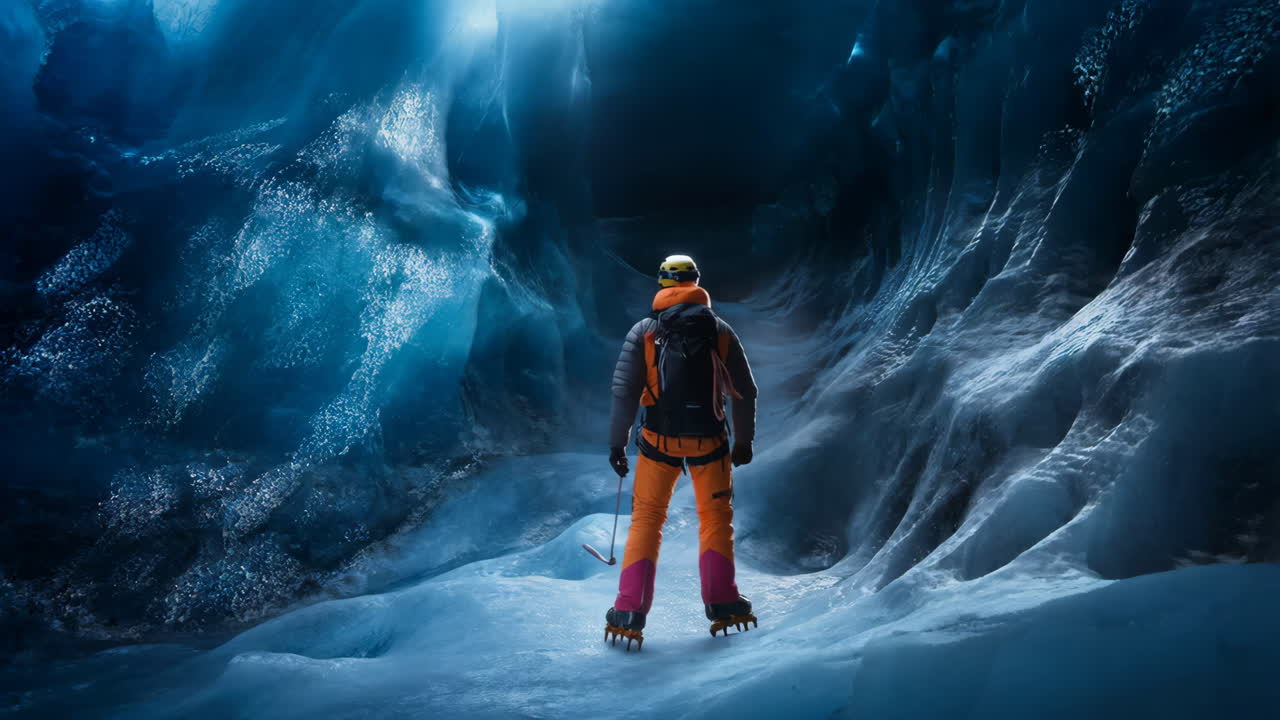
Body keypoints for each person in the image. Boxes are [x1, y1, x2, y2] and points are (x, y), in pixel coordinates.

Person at [603, 254, 759, 650]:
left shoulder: (644, 331)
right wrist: (743, 440)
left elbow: (624, 393)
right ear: (697, 282)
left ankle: (629, 611)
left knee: (647, 520)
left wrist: (617, 443)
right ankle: (724, 603)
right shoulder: (720, 330)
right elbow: (745, 391)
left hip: (658, 442)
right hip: (710, 442)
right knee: (715, 519)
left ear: (661, 284)